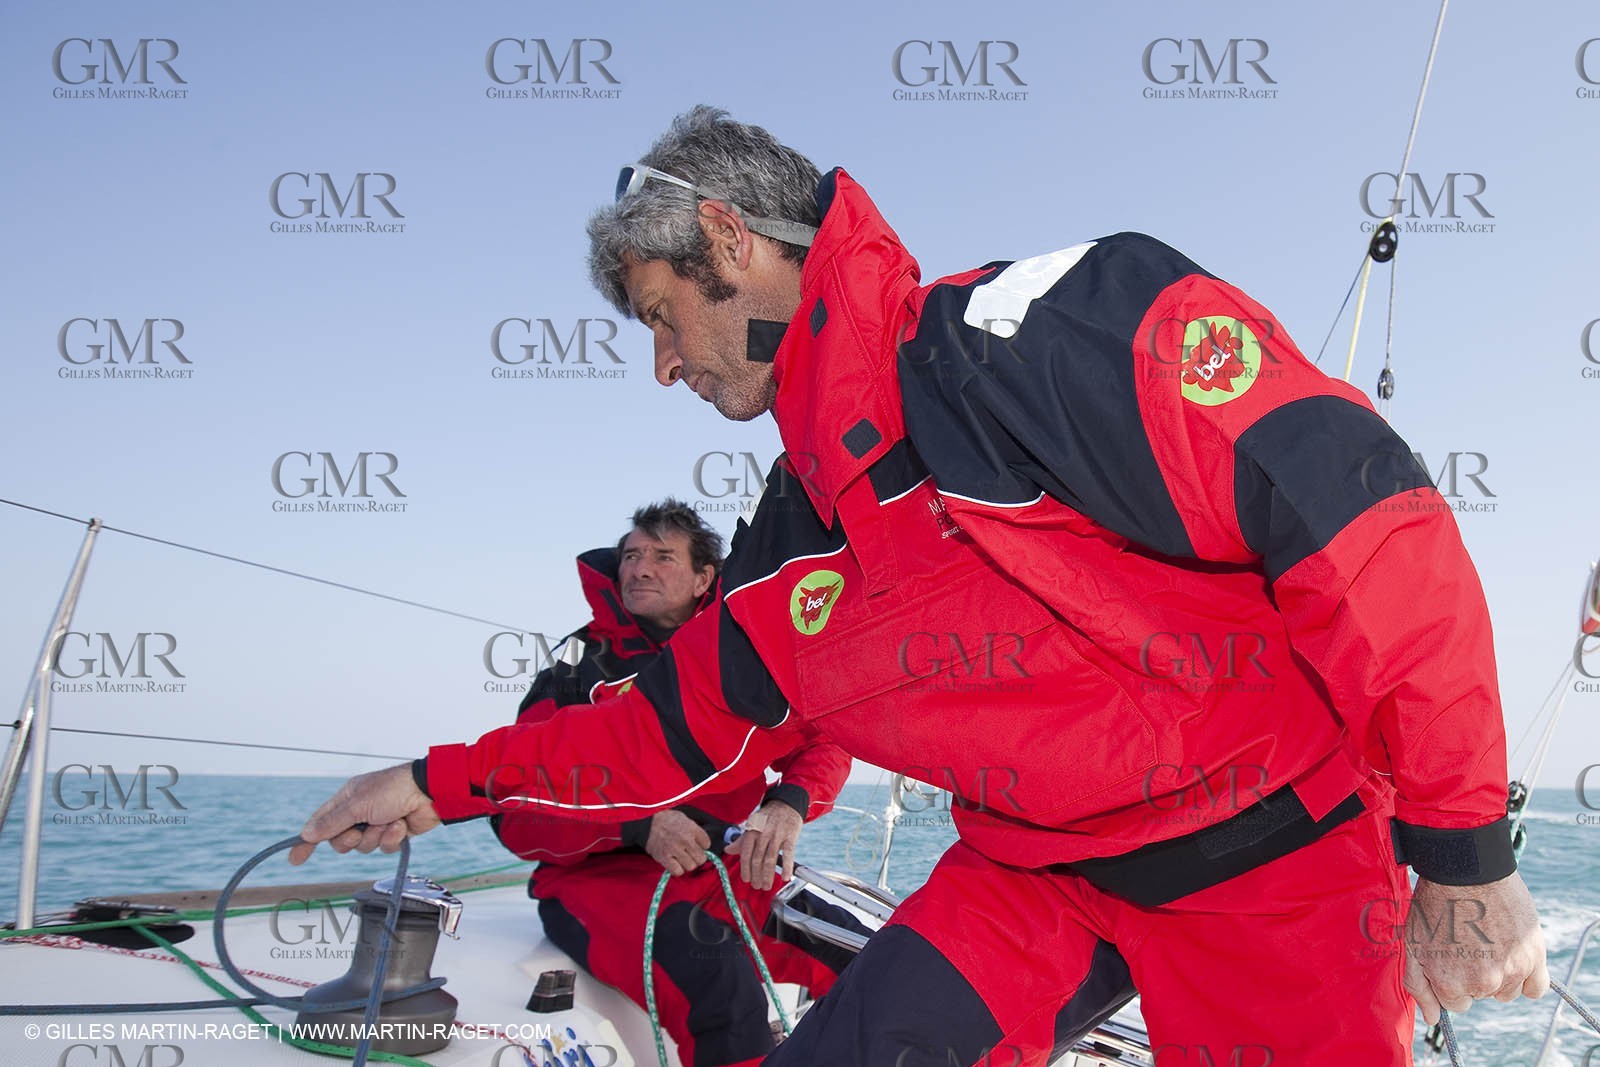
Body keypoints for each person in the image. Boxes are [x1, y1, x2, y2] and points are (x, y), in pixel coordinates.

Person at [293, 107, 1548, 1067]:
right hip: (1032, 877)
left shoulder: (1042, 338)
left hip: (1272, 863)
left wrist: (1461, 852)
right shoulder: (792, 545)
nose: (663, 364)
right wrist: (431, 782)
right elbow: (657, 728)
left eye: (662, 316)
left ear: (729, 237)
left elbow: (1368, 524)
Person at [491, 499, 860, 1067]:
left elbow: (823, 739)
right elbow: (514, 810)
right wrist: (637, 825)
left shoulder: (747, 652)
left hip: (729, 867)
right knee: (723, 996)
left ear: (704, 578)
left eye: (662, 556)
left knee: (873, 964)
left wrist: (788, 803)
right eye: (632, 555)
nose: (639, 568)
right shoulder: (575, 671)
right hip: (606, 883)